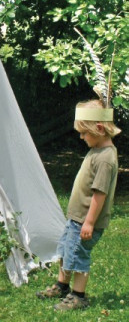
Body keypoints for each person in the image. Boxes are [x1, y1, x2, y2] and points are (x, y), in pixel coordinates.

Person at [37, 99, 120, 311]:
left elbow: (99, 194)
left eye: (84, 133)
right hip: (76, 218)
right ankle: (62, 286)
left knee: (79, 256)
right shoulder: (97, 149)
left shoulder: (105, 158)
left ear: (99, 128)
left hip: (84, 220)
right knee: (66, 251)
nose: (82, 137)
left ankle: (78, 296)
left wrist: (89, 223)